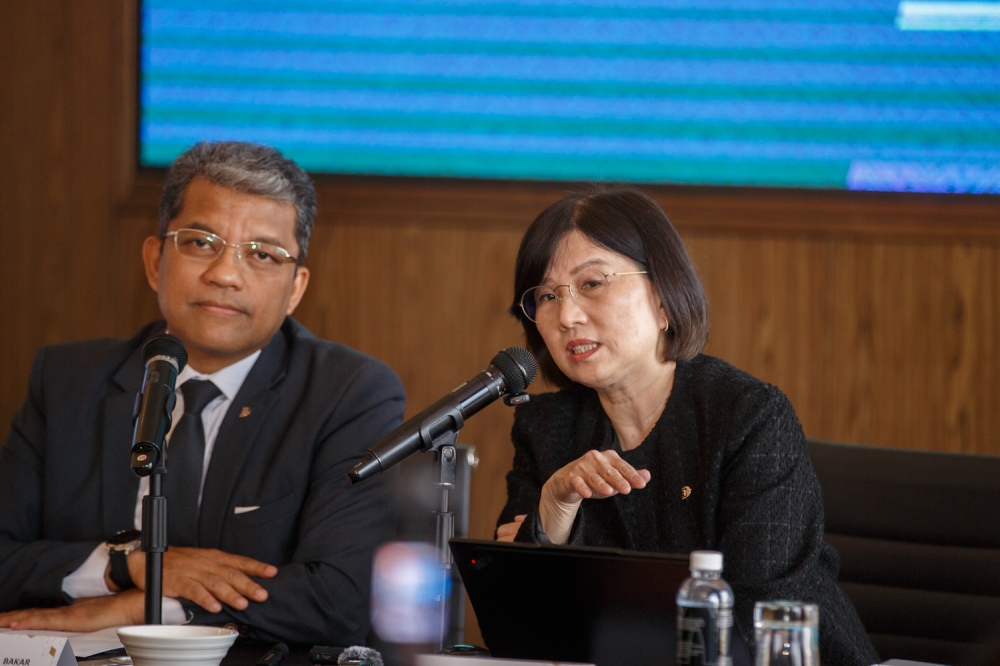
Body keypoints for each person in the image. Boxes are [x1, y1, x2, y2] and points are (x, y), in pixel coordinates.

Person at [0, 141, 406, 645]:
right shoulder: (66, 381)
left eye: (262, 254)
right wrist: (128, 567)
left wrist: (141, 607)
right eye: (200, 243)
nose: (225, 274)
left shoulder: (349, 394)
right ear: (155, 261)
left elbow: (338, 597)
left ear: (295, 288)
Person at [494, 188, 878, 665]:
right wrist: (552, 508)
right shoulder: (544, 427)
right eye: (547, 296)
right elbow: (516, 623)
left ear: (663, 297)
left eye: (592, 283)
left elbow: (756, 624)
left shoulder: (748, 417)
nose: (567, 315)